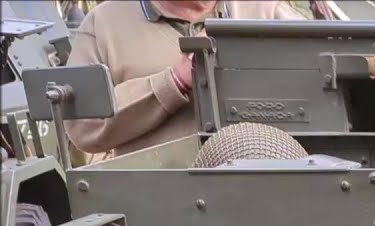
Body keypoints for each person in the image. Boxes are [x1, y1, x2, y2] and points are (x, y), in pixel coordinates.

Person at [66, 0, 306, 158]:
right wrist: (172, 83)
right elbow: (82, 126)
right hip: (154, 213)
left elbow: (327, 84)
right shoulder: (105, 23)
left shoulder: (267, 12)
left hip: (266, 201)